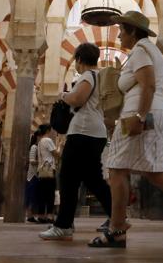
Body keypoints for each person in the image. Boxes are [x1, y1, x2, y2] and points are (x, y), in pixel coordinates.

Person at [89, 10, 163, 249]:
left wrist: (139, 116)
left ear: (133, 31)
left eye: (122, 30)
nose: (119, 35)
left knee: (115, 169)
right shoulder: (152, 52)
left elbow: (149, 85)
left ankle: (116, 230)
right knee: (157, 173)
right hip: (154, 112)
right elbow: (155, 87)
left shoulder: (140, 51)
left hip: (141, 114)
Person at [41, 42, 113, 241]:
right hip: (94, 132)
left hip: (83, 132)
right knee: (93, 180)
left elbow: (78, 99)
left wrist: (64, 95)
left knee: (68, 179)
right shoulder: (98, 77)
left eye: (75, 59)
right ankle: (117, 217)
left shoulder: (88, 76)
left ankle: (63, 225)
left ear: (79, 59)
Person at [31, 124, 59, 223]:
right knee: (50, 194)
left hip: (41, 170)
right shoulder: (48, 140)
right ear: (47, 130)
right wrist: (61, 147)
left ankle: (41, 216)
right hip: (49, 170)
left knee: (42, 194)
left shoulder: (40, 142)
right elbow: (56, 153)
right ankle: (50, 216)